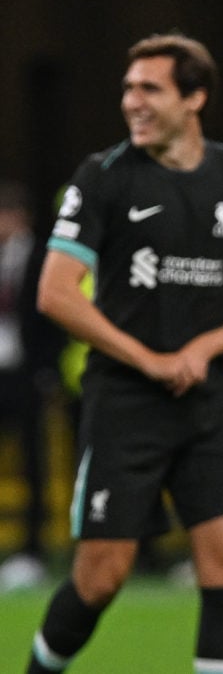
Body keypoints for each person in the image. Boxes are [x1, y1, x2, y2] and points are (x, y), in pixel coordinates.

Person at [25, 33, 223, 674]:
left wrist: (206, 345)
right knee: (101, 578)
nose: (132, 101)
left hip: (208, 400)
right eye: (128, 88)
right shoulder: (103, 177)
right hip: (125, 402)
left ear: (194, 97)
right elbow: (55, 293)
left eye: (150, 89)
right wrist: (147, 359)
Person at [0, 181, 63, 592]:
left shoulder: (44, 257)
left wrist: (46, 371)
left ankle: (33, 550)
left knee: (34, 461)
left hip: (27, 375)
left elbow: (55, 314)